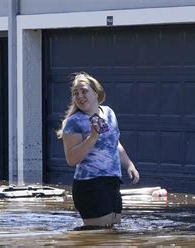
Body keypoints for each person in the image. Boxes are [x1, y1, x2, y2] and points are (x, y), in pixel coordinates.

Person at [56, 71, 139, 227]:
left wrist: (129, 164)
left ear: (95, 92)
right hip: (90, 185)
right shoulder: (73, 122)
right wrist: (92, 137)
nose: (80, 96)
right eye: (76, 93)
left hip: (112, 183)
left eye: (84, 91)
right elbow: (71, 159)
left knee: (112, 232)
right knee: (99, 234)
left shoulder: (109, 113)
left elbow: (113, 143)